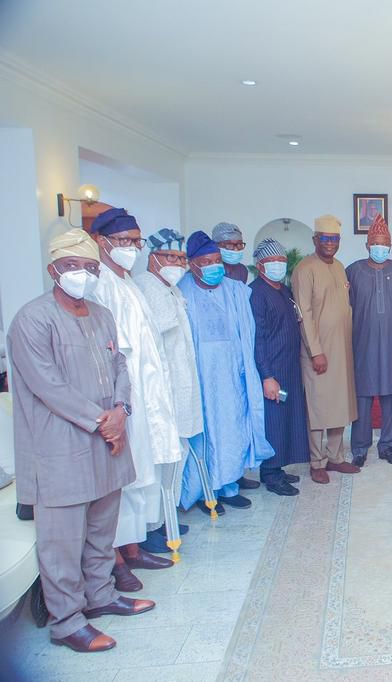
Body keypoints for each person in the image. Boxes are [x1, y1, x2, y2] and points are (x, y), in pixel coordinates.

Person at [9, 229, 154, 653]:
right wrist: (101, 421)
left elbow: (120, 365)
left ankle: (101, 597)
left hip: (106, 443)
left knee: (99, 530)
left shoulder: (101, 313)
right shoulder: (31, 320)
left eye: (90, 268)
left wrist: (121, 411)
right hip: (59, 449)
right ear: (54, 270)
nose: (83, 275)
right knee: (61, 542)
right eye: (73, 267)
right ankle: (67, 621)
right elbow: (47, 385)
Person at [87, 208, 179, 591]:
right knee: (122, 479)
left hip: (145, 392)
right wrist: (118, 404)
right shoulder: (100, 283)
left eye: (135, 241)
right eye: (124, 241)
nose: (131, 248)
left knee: (142, 472)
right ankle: (115, 559)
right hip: (122, 398)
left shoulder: (127, 282)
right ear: (101, 242)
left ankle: (134, 546)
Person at [179, 230, 274, 513]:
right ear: (192, 264)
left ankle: (230, 486)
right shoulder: (182, 293)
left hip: (233, 377)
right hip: (202, 380)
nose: (214, 266)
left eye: (217, 260)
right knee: (205, 435)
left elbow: (248, 335)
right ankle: (204, 492)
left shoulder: (235, 291)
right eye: (206, 261)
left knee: (233, 431)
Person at [134, 228, 203, 553]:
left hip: (180, 387)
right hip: (161, 391)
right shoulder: (147, 288)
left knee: (177, 457)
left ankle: (165, 519)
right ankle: (150, 528)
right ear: (153, 258)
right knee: (160, 460)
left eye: (180, 258)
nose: (176, 263)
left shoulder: (171, 289)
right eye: (170, 257)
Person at [346, 214, 392, 466]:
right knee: (363, 397)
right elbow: (344, 309)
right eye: (375, 243)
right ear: (367, 245)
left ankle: (388, 446)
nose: (380, 248)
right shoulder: (353, 271)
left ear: (389, 247)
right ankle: (359, 448)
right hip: (362, 344)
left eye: (384, 244)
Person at [292, 214, 361, 484]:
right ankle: (316, 461)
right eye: (325, 239)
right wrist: (315, 351)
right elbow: (304, 314)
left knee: (339, 404)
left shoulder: (340, 266)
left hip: (341, 348)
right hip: (317, 352)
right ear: (315, 240)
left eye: (334, 239)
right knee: (319, 406)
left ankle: (336, 458)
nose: (330, 244)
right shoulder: (304, 268)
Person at [249, 238, 309, 495]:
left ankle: (279, 467)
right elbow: (258, 338)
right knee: (273, 422)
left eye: (281, 261)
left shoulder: (283, 291)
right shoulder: (257, 294)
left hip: (290, 367)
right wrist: (267, 376)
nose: (278, 265)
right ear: (260, 265)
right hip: (272, 369)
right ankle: (271, 475)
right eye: (272, 261)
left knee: (288, 419)